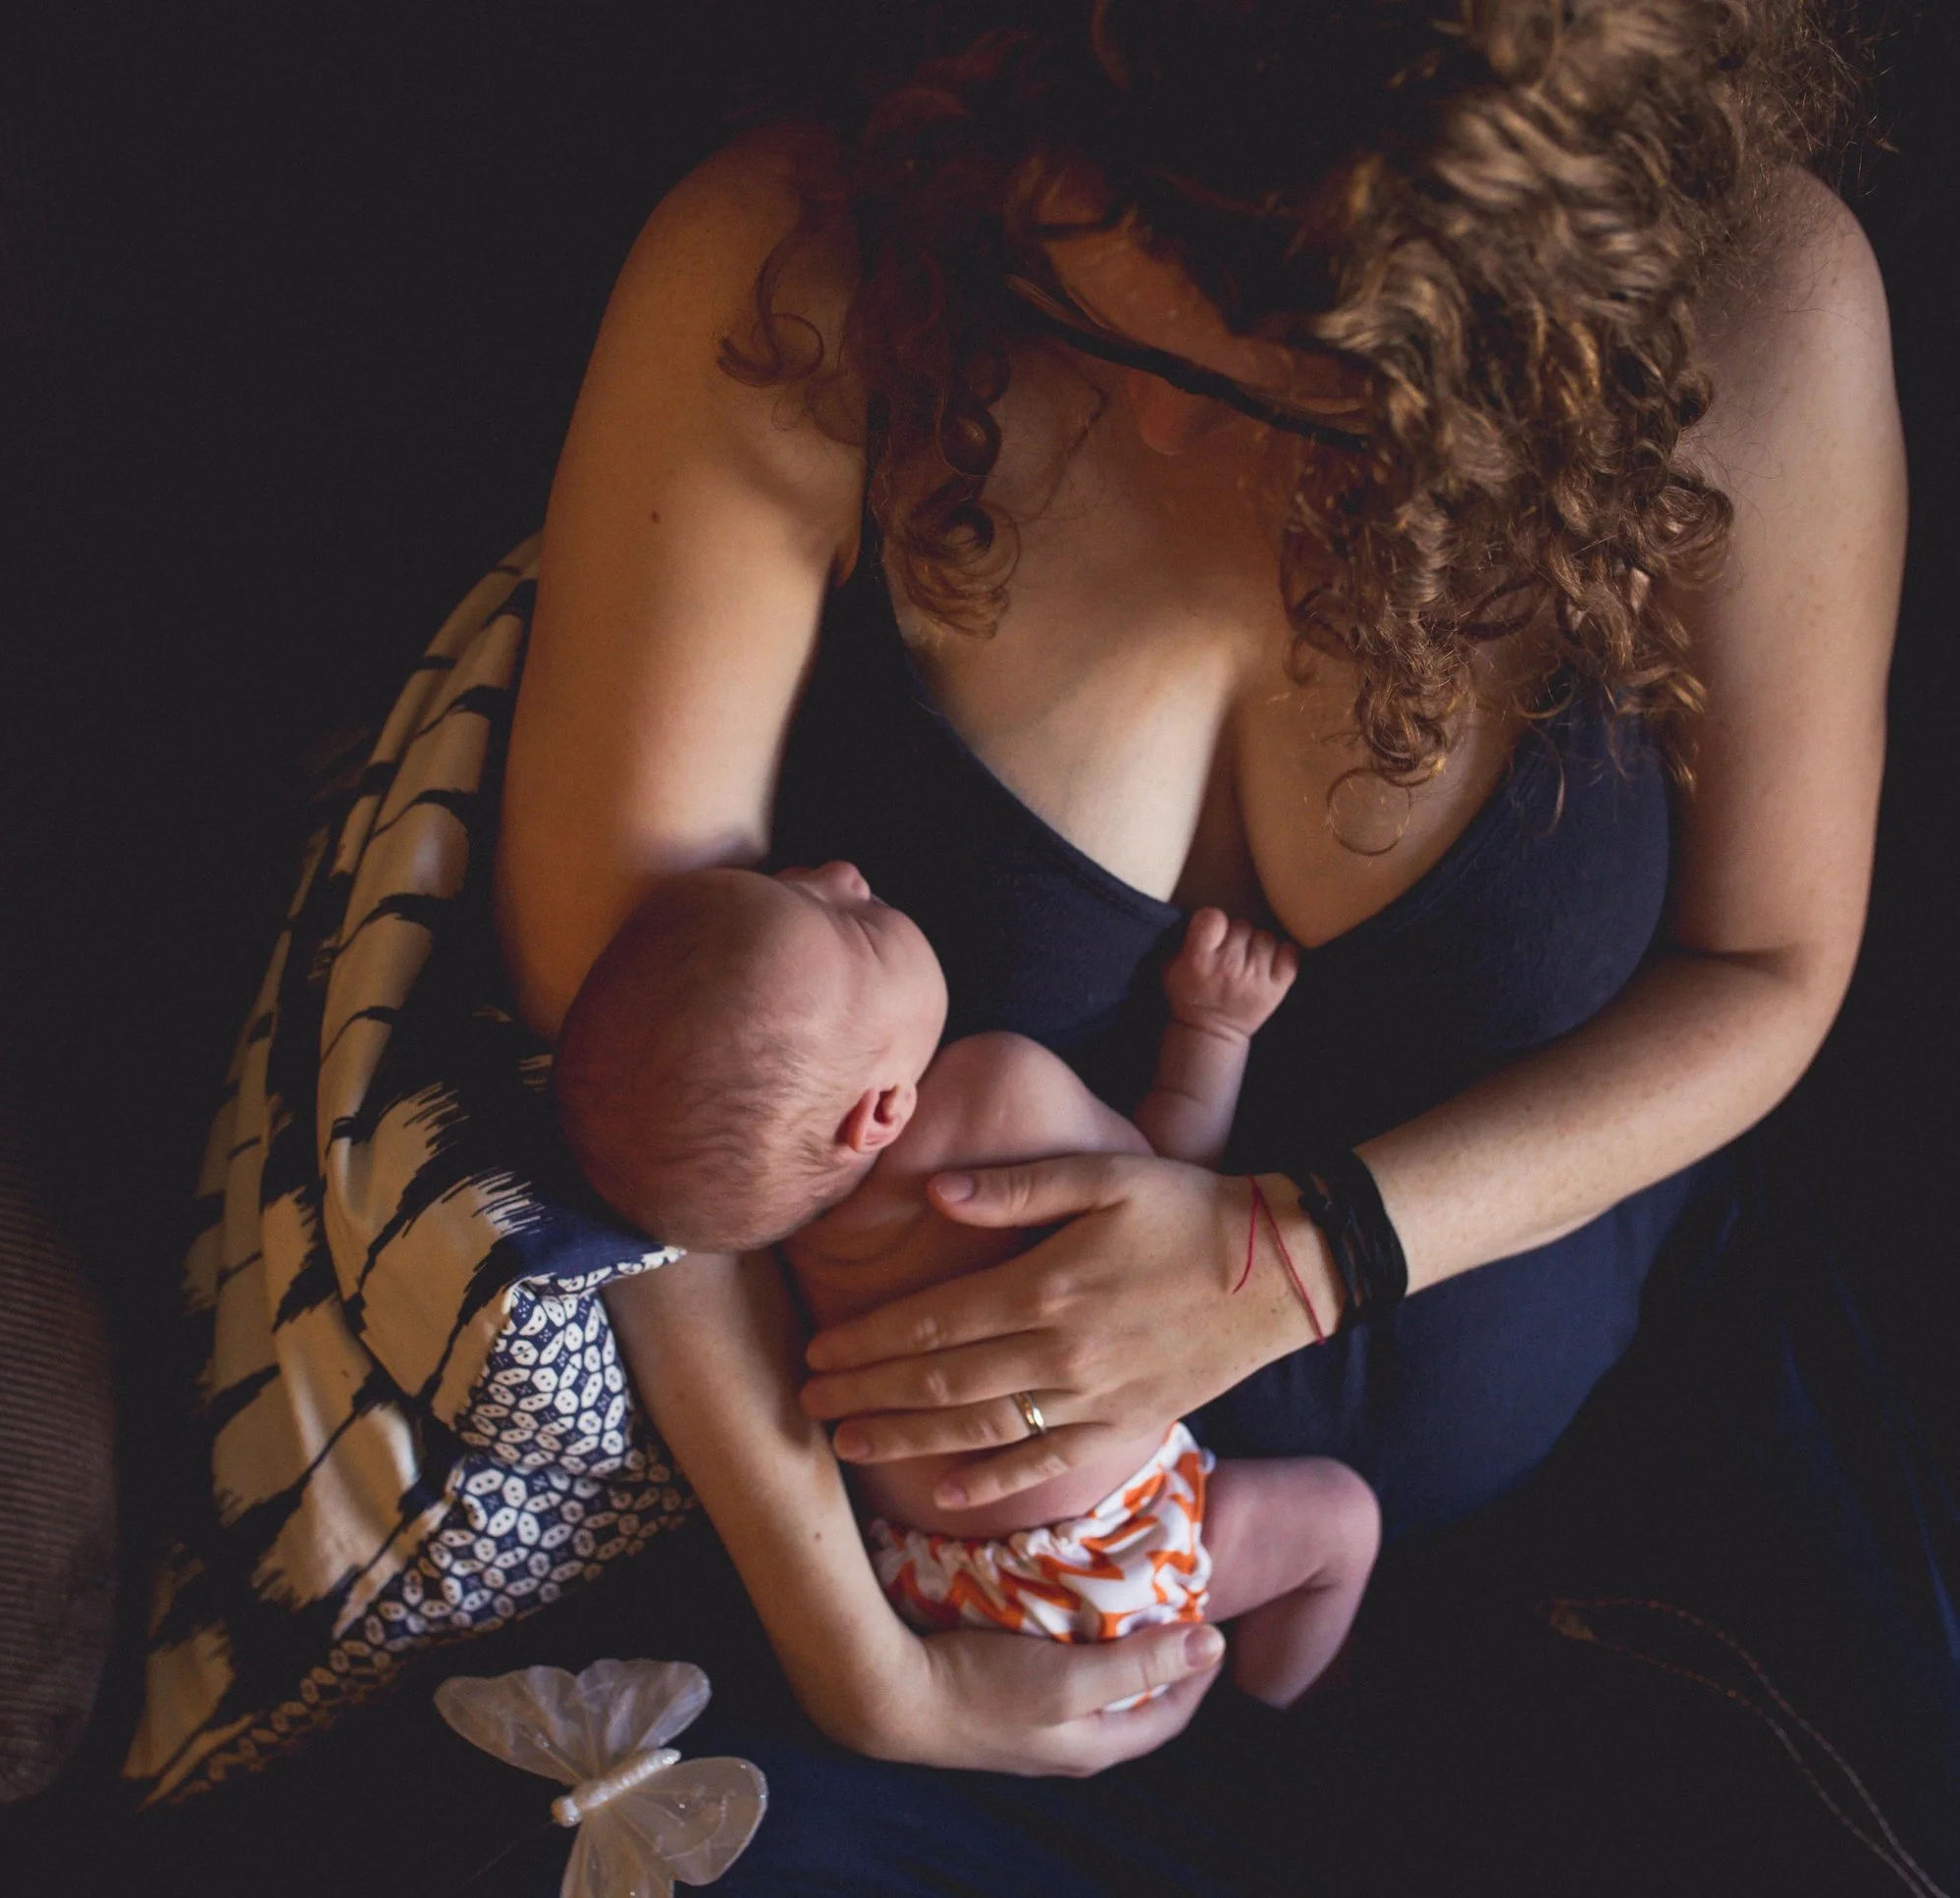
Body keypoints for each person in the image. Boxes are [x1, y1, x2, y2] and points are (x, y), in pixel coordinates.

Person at [495, 0, 1902, 1799]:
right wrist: (870, 1662)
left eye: (1282, 377)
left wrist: (1306, 1257)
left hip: (1576, 1525)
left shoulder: (1754, 315)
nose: (1153, 429)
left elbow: (1772, 965)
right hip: (899, 1603)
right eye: (1086, 300)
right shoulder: (802, 267)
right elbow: (624, 1107)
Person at [553, 859, 1376, 1709]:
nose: (844, 874)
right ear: (876, 1114)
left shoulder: (775, 1243)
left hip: (926, 1587)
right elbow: (1166, 1214)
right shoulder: (995, 1094)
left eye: (800, 882)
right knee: (1344, 1525)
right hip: (1111, 1556)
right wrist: (1213, 1033)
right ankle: (1276, 1711)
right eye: (856, 927)